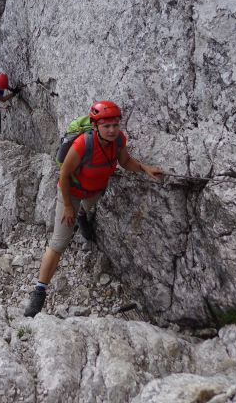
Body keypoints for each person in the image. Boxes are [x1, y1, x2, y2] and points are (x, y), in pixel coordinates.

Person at [24, 100, 164, 317]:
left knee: (87, 208)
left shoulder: (118, 141)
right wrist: (69, 206)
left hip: (95, 191)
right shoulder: (82, 144)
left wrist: (144, 168)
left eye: (115, 125)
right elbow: (64, 174)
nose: (112, 130)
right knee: (59, 243)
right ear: (96, 125)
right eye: (106, 126)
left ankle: (82, 215)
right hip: (71, 193)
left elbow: (125, 161)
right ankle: (39, 291)